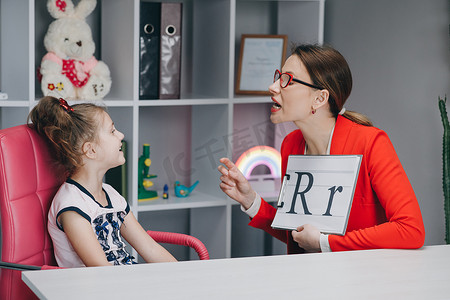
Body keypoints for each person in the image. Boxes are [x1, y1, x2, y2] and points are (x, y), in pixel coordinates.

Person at [218, 44, 425, 253]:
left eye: (287, 80)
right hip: (307, 277)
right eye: (278, 76)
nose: (273, 87)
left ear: (320, 99)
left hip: (361, 279)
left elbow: (411, 229)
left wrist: (325, 243)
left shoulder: (370, 142)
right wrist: (251, 201)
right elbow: (299, 236)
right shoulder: (291, 144)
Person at [28, 96, 177, 267]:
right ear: (90, 150)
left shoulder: (111, 194)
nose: (121, 135)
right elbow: (100, 270)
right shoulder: (72, 205)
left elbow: (150, 248)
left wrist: (183, 276)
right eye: (112, 131)